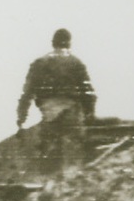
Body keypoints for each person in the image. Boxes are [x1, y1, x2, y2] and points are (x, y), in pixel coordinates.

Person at [16, 28, 96, 172]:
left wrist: (21, 118)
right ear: (69, 43)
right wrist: (90, 113)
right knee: (74, 154)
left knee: (50, 153)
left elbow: (27, 93)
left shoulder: (39, 63)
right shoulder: (76, 62)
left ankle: (51, 185)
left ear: (53, 43)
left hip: (49, 112)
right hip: (72, 112)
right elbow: (88, 92)